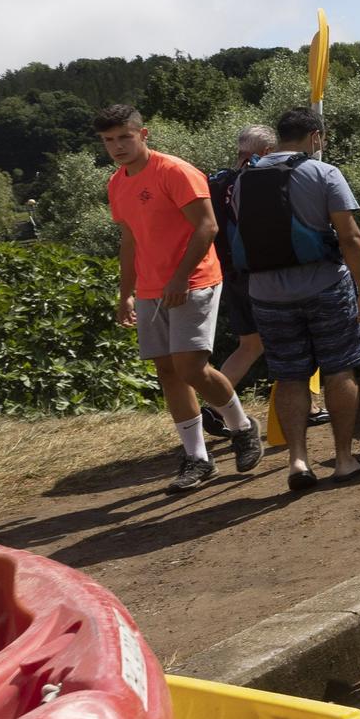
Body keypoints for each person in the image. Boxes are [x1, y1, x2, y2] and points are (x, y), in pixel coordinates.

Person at [95, 104, 260, 492]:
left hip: (195, 280)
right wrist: (126, 295)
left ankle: (241, 427)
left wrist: (180, 277)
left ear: (143, 133)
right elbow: (130, 240)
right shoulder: (117, 183)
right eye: (108, 140)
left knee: (190, 367)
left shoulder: (174, 171)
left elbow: (208, 226)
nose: (117, 146)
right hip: (151, 289)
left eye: (124, 136)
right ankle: (197, 459)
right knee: (167, 372)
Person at [231, 106, 360, 490]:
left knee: (289, 375)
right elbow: (350, 237)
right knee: (340, 369)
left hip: (266, 295)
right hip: (324, 286)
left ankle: (297, 461)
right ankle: (343, 460)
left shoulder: (243, 180)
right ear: (315, 138)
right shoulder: (324, 172)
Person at [201, 124, 330, 436]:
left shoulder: (215, 181)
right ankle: (309, 407)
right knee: (297, 336)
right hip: (262, 273)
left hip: (229, 272)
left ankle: (216, 407)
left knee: (250, 345)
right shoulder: (260, 179)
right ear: (267, 152)